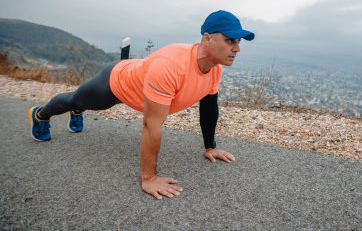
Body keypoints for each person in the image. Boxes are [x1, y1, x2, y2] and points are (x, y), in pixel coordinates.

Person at [28, 10, 255, 200]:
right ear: (207, 39)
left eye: (238, 41)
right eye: (230, 40)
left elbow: (209, 108)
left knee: (84, 104)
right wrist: (149, 178)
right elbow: (151, 125)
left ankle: (79, 110)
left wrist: (210, 147)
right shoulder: (171, 65)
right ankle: (40, 115)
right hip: (115, 82)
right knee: (75, 100)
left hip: (141, 76)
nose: (237, 48)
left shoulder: (214, 69)